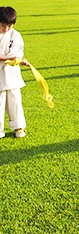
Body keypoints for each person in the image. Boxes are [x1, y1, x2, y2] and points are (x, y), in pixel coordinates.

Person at [0, 7, 29, 138]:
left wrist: (18, 60)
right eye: (2, 25)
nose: (6, 29)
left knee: (15, 101)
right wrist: (9, 59)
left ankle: (18, 127)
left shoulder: (15, 35)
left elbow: (16, 53)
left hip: (11, 74)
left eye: (9, 26)